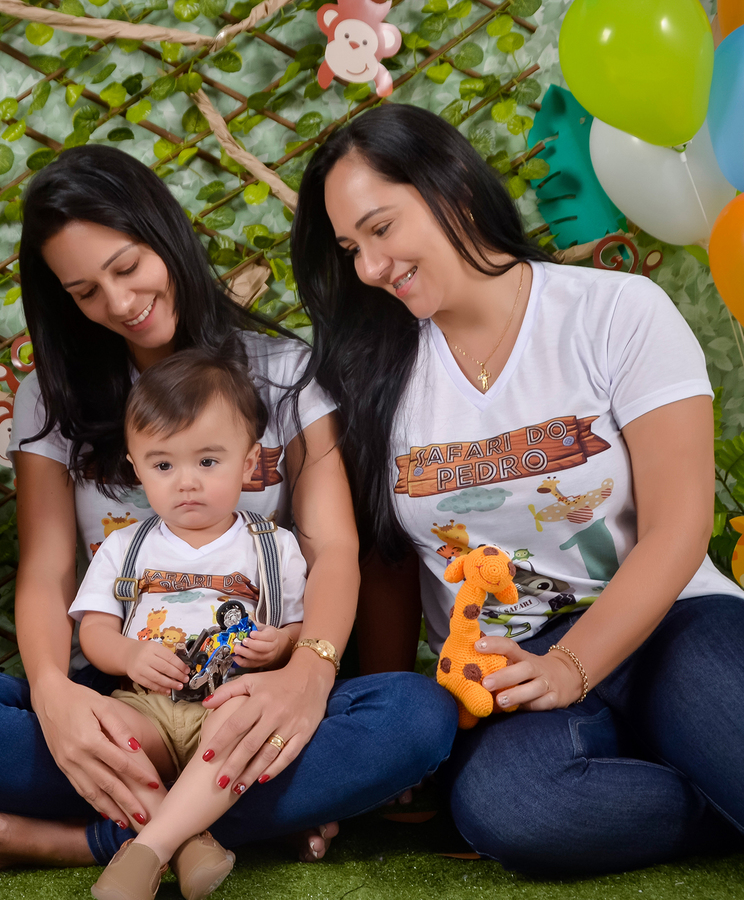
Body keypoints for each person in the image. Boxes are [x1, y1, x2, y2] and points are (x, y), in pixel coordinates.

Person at [0, 145, 457, 882]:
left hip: (253, 697)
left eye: (128, 267)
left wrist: (310, 673)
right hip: (122, 705)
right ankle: (227, 825)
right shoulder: (52, 403)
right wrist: (56, 697)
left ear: (166, 235)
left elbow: (333, 548)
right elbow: (50, 569)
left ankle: (90, 841)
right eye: (86, 290)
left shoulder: (285, 373)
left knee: (416, 716)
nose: (119, 303)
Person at [291, 102, 744, 875]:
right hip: (508, 663)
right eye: (348, 248)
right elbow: (391, 562)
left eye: (380, 228)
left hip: (671, 621)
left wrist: (576, 667)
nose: (368, 267)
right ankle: (706, 791)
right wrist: (393, 729)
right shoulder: (367, 374)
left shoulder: (615, 312)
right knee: (517, 810)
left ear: (452, 187)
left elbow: (678, 526)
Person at [75, 348, 306, 900]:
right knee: (104, 733)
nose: (186, 482)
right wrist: (129, 657)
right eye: (163, 465)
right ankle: (192, 840)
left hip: (227, 710)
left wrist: (280, 646)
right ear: (136, 467)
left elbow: (298, 627)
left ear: (249, 464)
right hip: (146, 709)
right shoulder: (123, 547)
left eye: (208, 462)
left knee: (247, 734)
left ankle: (147, 850)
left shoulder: (272, 547)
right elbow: (94, 632)